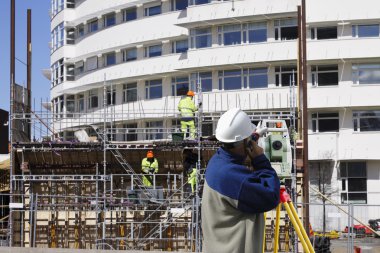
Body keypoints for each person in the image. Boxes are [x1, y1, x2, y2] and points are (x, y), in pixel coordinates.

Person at [202, 108, 280, 253]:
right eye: (249, 139)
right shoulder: (232, 177)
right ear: (244, 141)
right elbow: (272, 196)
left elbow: (237, 146)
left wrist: (254, 136)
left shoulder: (218, 161)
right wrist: (260, 161)